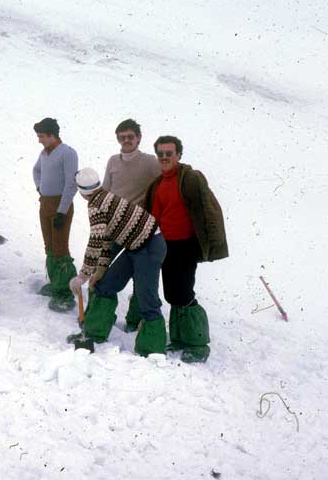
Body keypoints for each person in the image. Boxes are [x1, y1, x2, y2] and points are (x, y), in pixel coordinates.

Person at [144, 135, 228, 363]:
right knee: (172, 293)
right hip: (164, 245)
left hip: (185, 245)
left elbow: (210, 208)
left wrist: (212, 244)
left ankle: (198, 343)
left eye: (169, 153)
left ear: (178, 155)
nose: (164, 157)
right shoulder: (158, 183)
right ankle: (180, 338)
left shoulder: (191, 178)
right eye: (160, 154)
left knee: (184, 292)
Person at [68, 168, 167, 356]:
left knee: (147, 299)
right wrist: (99, 271)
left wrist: (82, 276)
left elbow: (95, 242)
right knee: (105, 285)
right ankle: (94, 333)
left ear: (81, 193)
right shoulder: (106, 197)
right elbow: (106, 239)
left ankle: (153, 350)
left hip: (150, 247)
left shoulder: (97, 206)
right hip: (135, 247)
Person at [102, 118, 161, 332]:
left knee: (141, 274)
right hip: (114, 226)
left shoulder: (150, 162)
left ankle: (137, 320)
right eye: (122, 137)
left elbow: (164, 185)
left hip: (140, 229)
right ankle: (98, 318)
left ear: (138, 138)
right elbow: (105, 191)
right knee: (100, 267)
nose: (126, 140)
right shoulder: (113, 161)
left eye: (130, 137)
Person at [32, 118, 79, 312]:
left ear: (52, 135)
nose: (39, 140)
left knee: (60, 248)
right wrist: (39, 187)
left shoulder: (67, 153)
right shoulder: (44, 153)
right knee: (49, 246)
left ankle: (65, 293)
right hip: (45, 204)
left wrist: (62, 210)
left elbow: (71, 183)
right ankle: (55, 283)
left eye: (42, 136)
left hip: (61, 205)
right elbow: (36, 170)